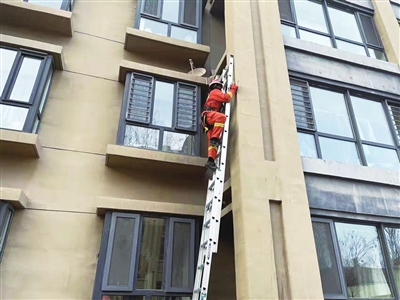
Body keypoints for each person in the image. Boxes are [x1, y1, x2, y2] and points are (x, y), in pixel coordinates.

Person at [201, 79, 238, 171]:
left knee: (212, 145)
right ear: (217, 86)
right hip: (209, 116)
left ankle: (210, 161)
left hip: (207, 120)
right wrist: (233, 89)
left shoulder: (211, 94)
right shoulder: (215, 92)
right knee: (221, 118)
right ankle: (215, 138)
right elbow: (226, 98)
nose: (220, 88)